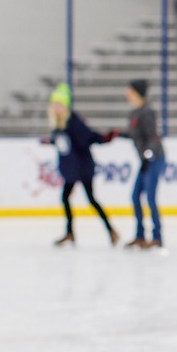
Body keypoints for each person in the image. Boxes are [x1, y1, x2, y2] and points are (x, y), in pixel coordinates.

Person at [43, 83, 119, 247]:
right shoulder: (59, 124)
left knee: (91, 200)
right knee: (65, 198)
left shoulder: (74, 121)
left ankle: (111, 230)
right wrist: (49, 141)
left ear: (65, 105)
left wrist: (104, 138)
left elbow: (88, 137)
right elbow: (63, 143)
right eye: (54, 105)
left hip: (82, 168)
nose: (56, 108)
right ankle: (70, 233)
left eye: (59, 104)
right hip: (71, 169)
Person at [116, 79, 166, 248]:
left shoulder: (147, 113)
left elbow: (153, 137)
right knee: (135, 196)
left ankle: (157, 237)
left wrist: (148, 156)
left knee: (150, 198)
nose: (126, 93)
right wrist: (116, 134)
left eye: (129, 89)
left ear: (136, 92)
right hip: (145, 160)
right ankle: (140, 235)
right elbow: (134, 134)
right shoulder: (135, 113)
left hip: (154, 159)